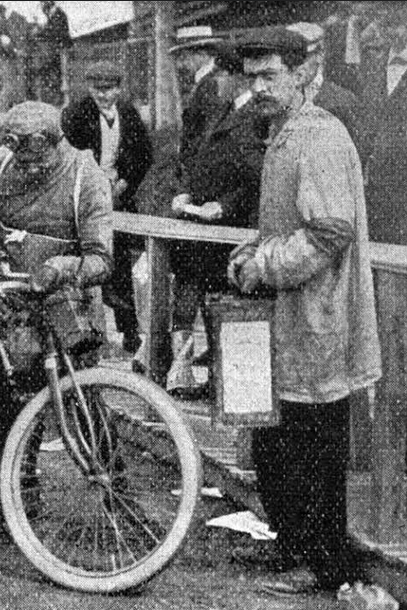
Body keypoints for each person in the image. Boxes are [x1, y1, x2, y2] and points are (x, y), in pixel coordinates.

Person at [227, 27, 381, 596]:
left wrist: (262, 265)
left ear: (302, 75)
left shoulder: (318, 136)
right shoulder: (285, 133)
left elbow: (328, 230)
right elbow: (289, 226)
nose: (260, 87)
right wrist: (253, 250)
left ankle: (323, 566)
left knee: (313, 447)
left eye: (271, 76)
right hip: (293, 317)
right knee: (280, 441)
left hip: (321, 317)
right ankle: (295, 546)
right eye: (252, 77)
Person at [0, 101, 113, 516]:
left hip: (67, 300)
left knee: (86, 397)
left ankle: (115, 491)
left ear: (52, 141)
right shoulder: (0, 164)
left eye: (29, 151)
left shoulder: (85, 176)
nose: (21, 160)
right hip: (9, 297)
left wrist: (62, 266)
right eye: (11, 146)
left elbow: (102, 259)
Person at [166, 46, 268, 397]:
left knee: (224, 301)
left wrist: (223, 206)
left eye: (222, 75)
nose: (217, 81)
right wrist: (184, 192)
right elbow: (196, 157)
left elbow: (256, 178)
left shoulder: (256, 115)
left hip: (231, 227)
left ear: (236, 78)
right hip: (201, 224)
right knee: (198, 294)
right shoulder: (223, 108)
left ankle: (225, 383)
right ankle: (200, 378)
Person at [61, 60, 152, 361]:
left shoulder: (127, 113)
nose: (104, 96)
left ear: (119, 88)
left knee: (120, 263)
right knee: (88, 258)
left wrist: (125, 182)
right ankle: (86, 331)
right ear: (89, 88)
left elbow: (144, 154)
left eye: (110, 89)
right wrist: (91, 187)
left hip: (118, 196)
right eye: (98, 90)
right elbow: (68, 159)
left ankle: (129, 332)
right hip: (85, 200)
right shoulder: (76, 115)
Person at [362, 6, 407, 246]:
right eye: (387, 24)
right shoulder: (373, 66)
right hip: (378, 188)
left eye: (399, 23)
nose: (394, 31)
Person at [169, 26, 226, 173]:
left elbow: (208, 133)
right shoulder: (204, 82)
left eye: (184, 58)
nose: (180, 65)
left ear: (202, 54)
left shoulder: (211, 84)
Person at [34, 1, 72, 106]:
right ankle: (61, 101)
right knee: (59, 75)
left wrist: (40, 31)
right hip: (58, 50)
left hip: (61, 51)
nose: (42, 8)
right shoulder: (54, 15)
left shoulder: (58, 15)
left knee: (64, 75)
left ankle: (65, 102)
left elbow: (55, 32)